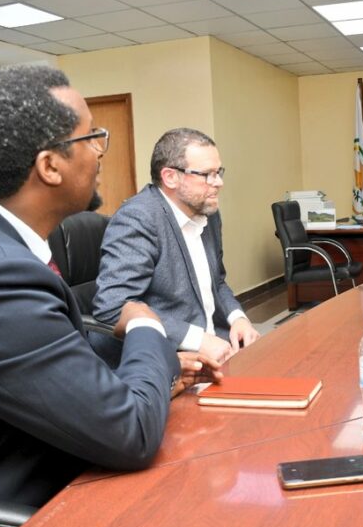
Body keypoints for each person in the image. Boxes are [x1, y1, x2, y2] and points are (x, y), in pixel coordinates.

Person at [0, 65, 220, 527]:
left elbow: (59, 345)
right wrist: (146, 326)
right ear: (50, 166)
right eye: (91, 137)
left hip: (51, 449)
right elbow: (131, 435)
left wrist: (155, 365)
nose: (101, 151)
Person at [94, 128, 260, 363]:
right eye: (207, 174)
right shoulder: (138, 218)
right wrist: (198, 340)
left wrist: (238, 318)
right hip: (170, 359)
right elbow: (113, 307)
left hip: (222, 347)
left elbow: (217, 281)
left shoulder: (207, 213)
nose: (219, 183)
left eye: (219, 172)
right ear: (170, 177)